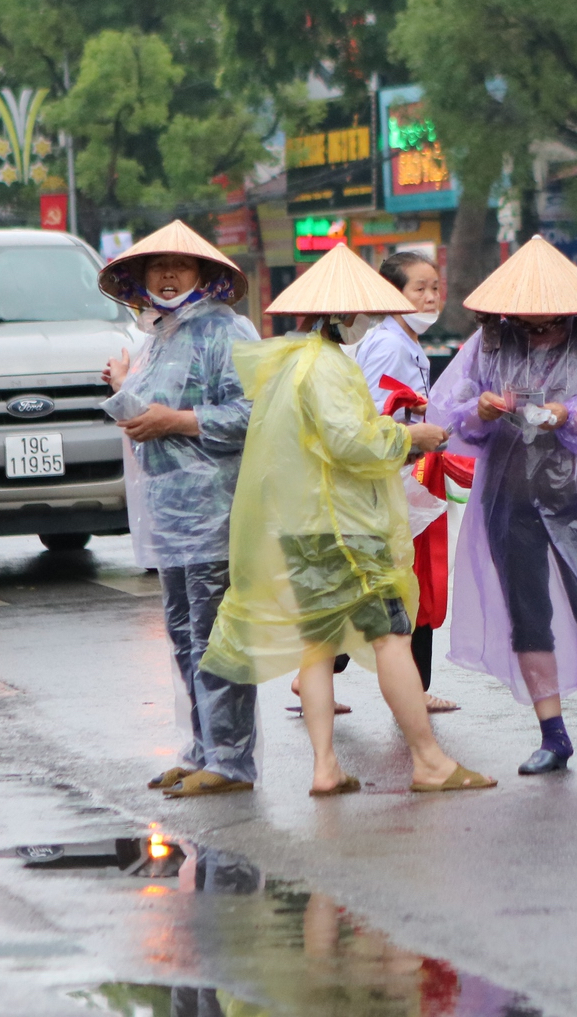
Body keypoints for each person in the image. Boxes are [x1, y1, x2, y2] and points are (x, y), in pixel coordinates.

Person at [200, 244, 495, 796]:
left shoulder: (292, 361)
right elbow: (350, 441)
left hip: (304, 524)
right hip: (345, 526)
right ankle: (429, 761)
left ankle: (325, 766)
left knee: (317, 645)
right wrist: (412, 438)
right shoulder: (329, 368)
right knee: (391, 638)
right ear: (352, 315)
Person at [426, 236, 577, 777]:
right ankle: (553, 735)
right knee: (529, 616)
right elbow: (447, 410)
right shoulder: (489, 343)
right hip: (510, 498)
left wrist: (569, 414)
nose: (537, 324)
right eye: (526, 316)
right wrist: (479, 411)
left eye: (547, 317)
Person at [96, 222, 261, 800]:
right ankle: (201, 749)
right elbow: (147, 424)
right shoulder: (158, 337)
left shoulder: (228, 332)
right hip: (170, 515)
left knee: (218, 636)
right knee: (184, 634)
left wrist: (177, 420)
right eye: (157, 267)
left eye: (181, 267)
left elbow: (250, 414)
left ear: (204, 276)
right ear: (140, 279)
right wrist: (125, 388)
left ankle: (234, 761)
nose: (168, 276)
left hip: (215, 511)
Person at [352, 248, 470, 713]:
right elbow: (377, 415)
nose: (430, 297)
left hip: (409, 475)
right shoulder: (387, 342)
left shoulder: (406, 342)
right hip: (396, 478)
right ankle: (412, 690)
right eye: (418, 288)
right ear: (393, 294)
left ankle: (318, 670)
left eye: (435, 288)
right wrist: (416, 432)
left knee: (401, 583)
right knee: (410, 583)